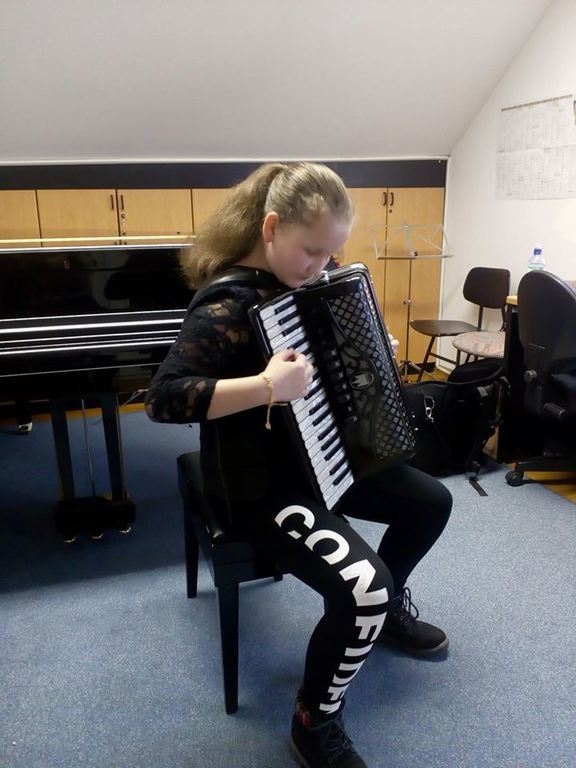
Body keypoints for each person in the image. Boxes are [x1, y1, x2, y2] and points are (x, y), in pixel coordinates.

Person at [145, 162, 452, 768]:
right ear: (271, 227)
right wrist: (264, 386)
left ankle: (385, 614)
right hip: (261, 485)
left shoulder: (309, 283)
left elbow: (332, 370)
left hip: (326, 457)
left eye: (331, 253)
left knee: (431, 502)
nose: (321, 265)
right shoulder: (227, 305)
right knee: (363, 588)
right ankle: (314, 719)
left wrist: (369, 348)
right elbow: (163, 398)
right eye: (311, 251)